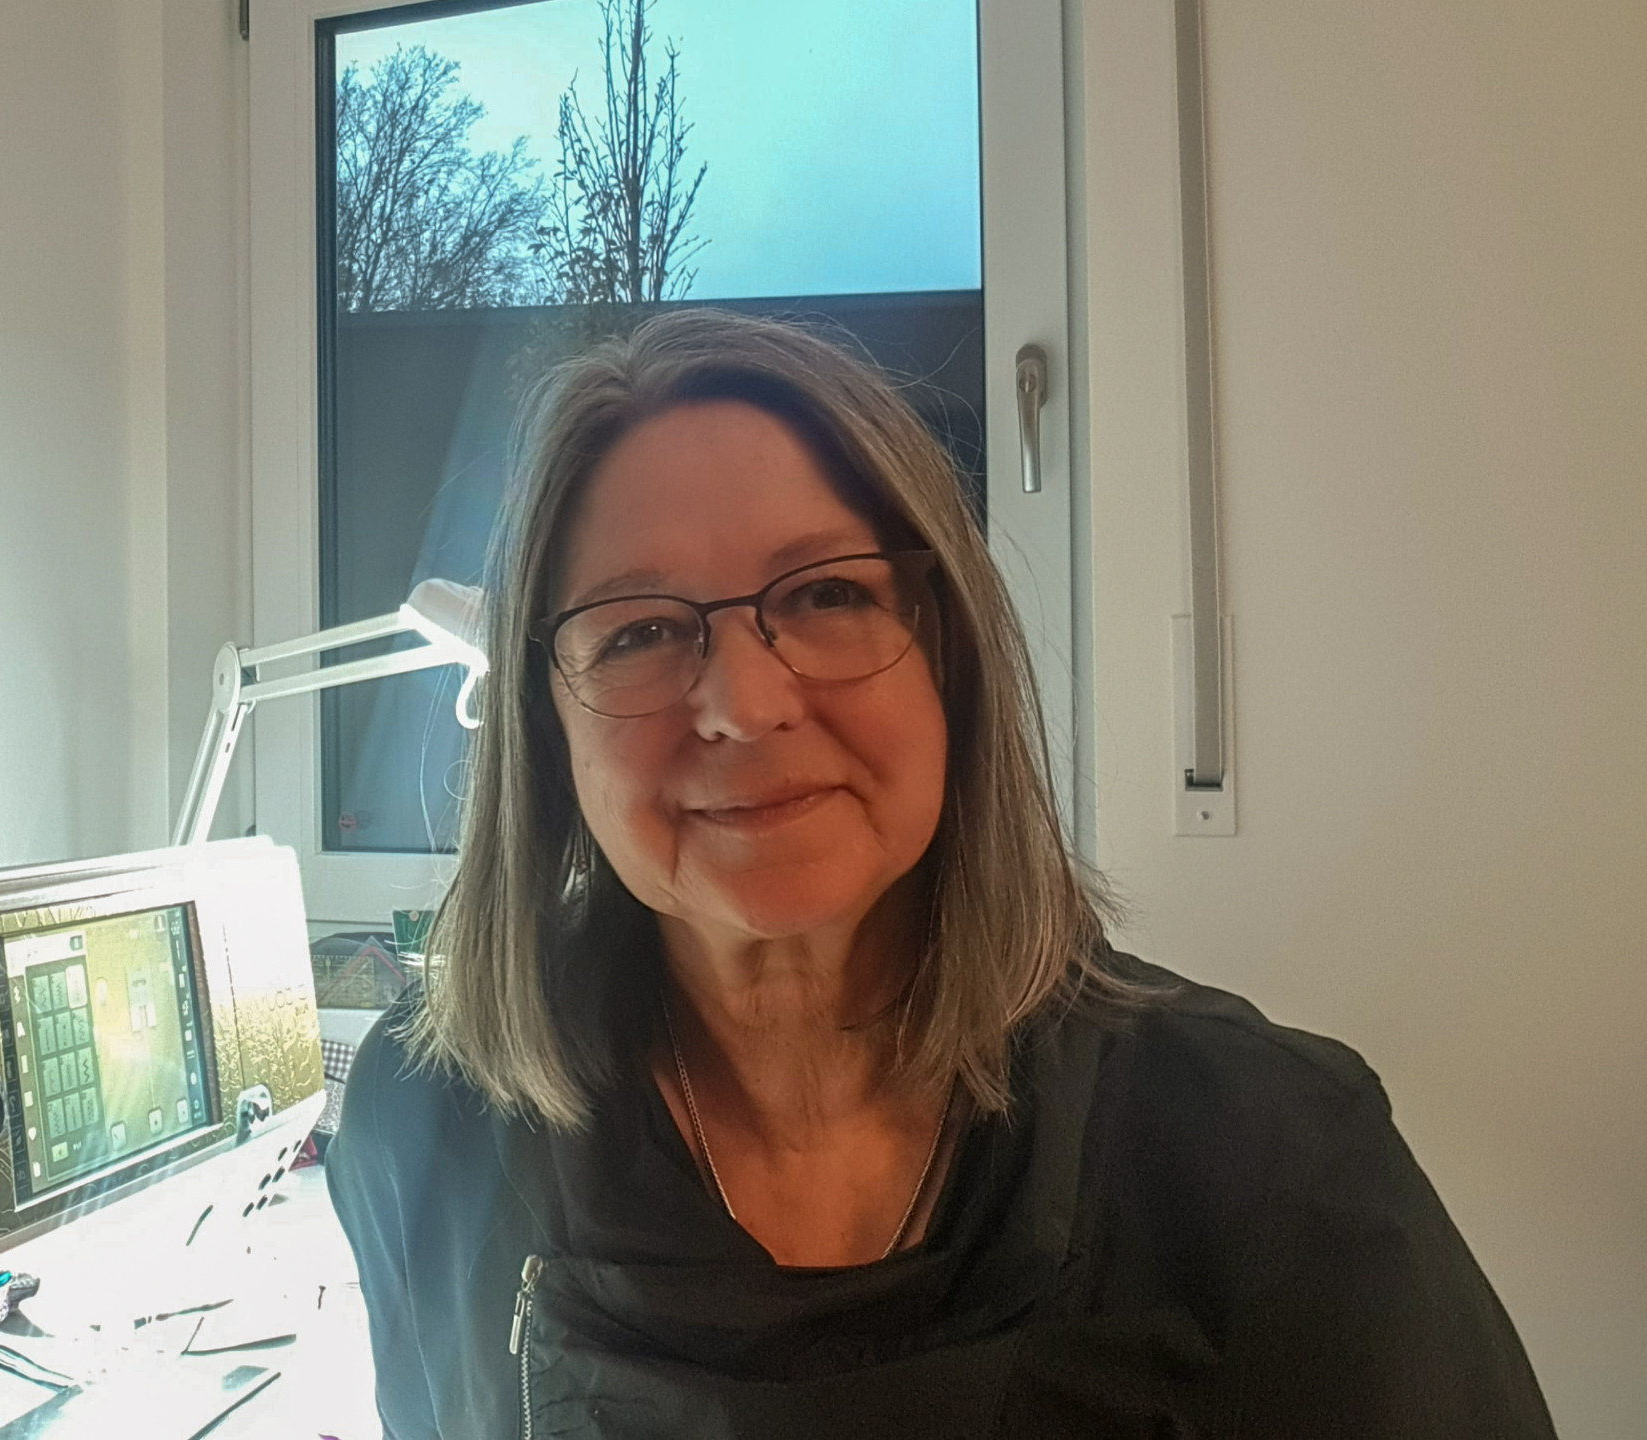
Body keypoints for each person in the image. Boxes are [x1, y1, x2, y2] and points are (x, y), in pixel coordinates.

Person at [326, 310, 1554, 1438]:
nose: (744, 705)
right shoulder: (423, 1125)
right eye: (638, 630)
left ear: (950, 662)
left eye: (823, 595)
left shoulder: (1277, 1166)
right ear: (545, 729)